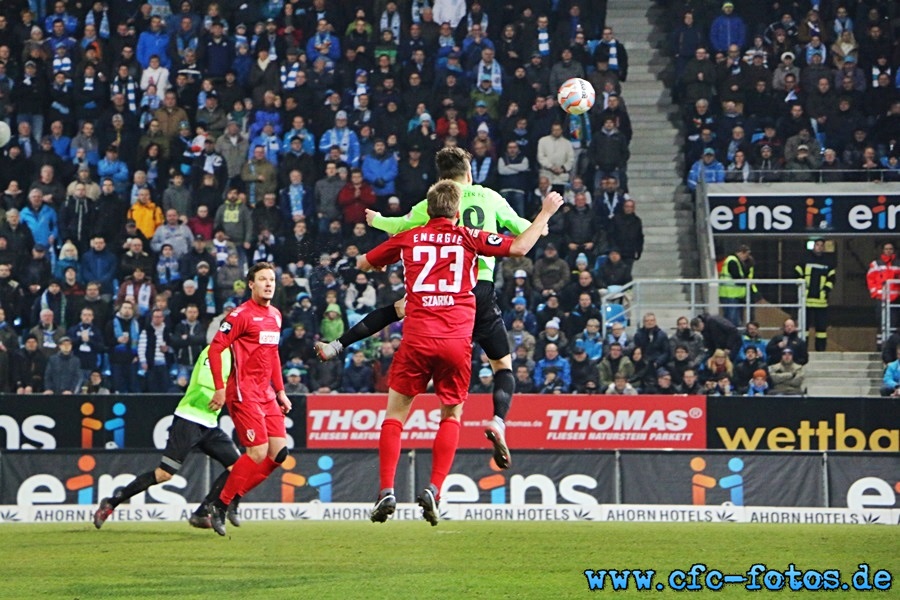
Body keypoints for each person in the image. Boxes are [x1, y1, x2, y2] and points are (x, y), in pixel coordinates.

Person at [357, 180, 562, 525]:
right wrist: (545, 212)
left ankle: (386, 490)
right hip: (455, 340)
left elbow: (365, 262)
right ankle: (435, 490)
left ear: (429, 208)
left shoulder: (410, 237)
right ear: (455, 211)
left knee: (395, 416)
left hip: (417, 337)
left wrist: (373, 263)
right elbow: (521, 247)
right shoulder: (468, 236)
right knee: (450, 416)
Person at [315, 147, 534, 470]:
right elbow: (520, 231)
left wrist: (377, 220)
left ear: (440, 182)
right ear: (469, 173)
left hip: (438, 287)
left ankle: (339, 344)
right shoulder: (489, 197)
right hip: (479, 287)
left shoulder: (429, 203)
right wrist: (543, 218)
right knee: (502, 365)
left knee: (399, 308)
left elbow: (401, 227)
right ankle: (499, 420)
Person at [93, 346, 242, 530]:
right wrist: (226, 391)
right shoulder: (214, 351)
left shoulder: (237, 357)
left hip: (209, 424)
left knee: (239, 468)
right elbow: (205, 381)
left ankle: (203, 513)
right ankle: (111, 503)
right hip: (189, 418)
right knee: (164, 474)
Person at [206, 262, 292, 536]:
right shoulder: (240, 315)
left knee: (279, 453)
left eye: (272, 280)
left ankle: (235, 496)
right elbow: (215, 348)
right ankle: (218, 504)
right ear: (251, 284)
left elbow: (273, 354)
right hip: (243, 391)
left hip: (266, 393)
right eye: (263, 279)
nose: (269, 284)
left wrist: (280, 391)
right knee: (256, 451)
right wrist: (220, 388)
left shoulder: (276, 315)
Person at [794, 239, 835, 351]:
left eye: (822, 245)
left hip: (821, 301)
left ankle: (821, 350)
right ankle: (803, 349)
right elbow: (797, 271)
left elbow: (832, 278)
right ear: (814, 246)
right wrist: (801, 284)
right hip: (805, 300)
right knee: (804, 327)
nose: (819, 247)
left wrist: (826, 289)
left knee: (821, 329)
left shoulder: (828, 262)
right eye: (817, 245)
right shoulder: (804, 259)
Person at [866, 242, 900, 346]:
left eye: (890, 249)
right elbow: (870, 279)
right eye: (886, 249)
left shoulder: (898, 264)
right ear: (883, 250)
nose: (888, 251)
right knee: (881, 322)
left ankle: (892, 345)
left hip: (895, 298)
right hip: (881, 297)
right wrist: (875, 293)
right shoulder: (876, 264)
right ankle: (880, 346)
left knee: (894, 323)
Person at [718, 245, 756, 326]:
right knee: (732, 320)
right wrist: (745, 281)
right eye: (746, 255)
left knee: (733, 319)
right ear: (742, 252)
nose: (746, 257)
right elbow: (737, 277)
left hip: (734, 295)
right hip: (729, 294)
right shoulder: (732, 261)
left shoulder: (735, 261)